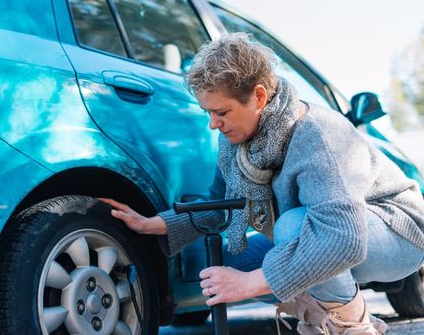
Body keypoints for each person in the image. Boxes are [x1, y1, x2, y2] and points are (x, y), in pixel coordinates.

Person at [100, 32, 424, 334]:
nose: (214, 124)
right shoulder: (237, 142)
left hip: (397, 234)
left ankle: (352, 327)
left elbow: (344, 240)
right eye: (208, 113)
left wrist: (252, 283)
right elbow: (219, 205)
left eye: (222, 112)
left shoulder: (318, 137)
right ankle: (327, 316)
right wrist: (152, 224)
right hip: (332, 231)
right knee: (226, 264)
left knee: (291, 228)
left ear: (258, 96)